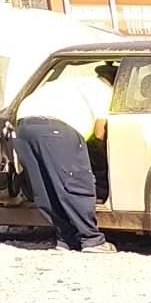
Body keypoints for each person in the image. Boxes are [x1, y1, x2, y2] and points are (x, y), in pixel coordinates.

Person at [13, 61, 116, 253]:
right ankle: (92, 240)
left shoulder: (72, 83)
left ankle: (65, 238)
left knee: (45, 188)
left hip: (24, 126)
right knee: (74, 183)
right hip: (56, 130)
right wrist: (100, 157)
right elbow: (101, 133)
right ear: (114, 82)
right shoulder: (105, 91)